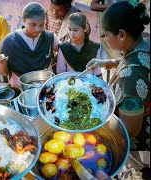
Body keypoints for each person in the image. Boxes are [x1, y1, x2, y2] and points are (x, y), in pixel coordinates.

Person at [87, 1, 150, 150]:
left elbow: (130, 130)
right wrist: (107, 63)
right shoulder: (144, 43)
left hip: (140, 144)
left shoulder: (130, 77)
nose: (104, 39)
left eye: (105, 35)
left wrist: (95, 125)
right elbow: (135, 58)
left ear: (121, 34)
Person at [0, 2, 59, 86]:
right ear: (24, 20)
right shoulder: (10, 41)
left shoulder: (49, 37)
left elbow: (65, 50)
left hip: (46, 86)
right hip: (19, 87)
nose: (37, 29)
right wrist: (2, 63)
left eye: (41, 25)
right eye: (33, 24)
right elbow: (4, 73)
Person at [56, 12, 102, 77]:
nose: (72, 33)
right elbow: (61, 74)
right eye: (69, 29)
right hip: (69, 84)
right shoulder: (64, 47)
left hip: (90, 84)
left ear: (85, 28)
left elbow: (98, 75)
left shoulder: (95, 48)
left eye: (75, 30)